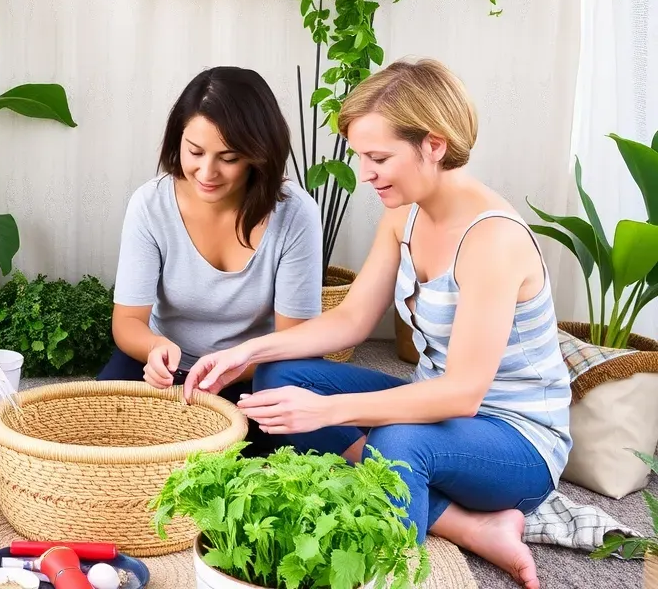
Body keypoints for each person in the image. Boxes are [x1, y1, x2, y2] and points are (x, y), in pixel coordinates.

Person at [184, 59, 570, 589]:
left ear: (434, 144)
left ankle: (391, 572)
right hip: (438, 408)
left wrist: (327, 411)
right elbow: (350, 319)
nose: (366, 173)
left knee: (398, 442)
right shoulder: (404, 213)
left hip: (517, 444)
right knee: (281, 378)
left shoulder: (492, 240)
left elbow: (462, 395)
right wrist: (248, 353)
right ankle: (468, 525)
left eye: (379, 157)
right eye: (362, 156)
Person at [98, 66, 323, 453]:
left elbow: (296, 342)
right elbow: (129, 322)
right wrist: (154, 348)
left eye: (229, 157)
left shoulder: (295, 213)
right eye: (195, 152)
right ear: (178, 140)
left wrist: (230, 366)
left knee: (277, 464)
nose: (207, 172)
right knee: (100, 435)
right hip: (162, 370)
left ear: (258, 154)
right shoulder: (150, 204)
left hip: (258, 370)